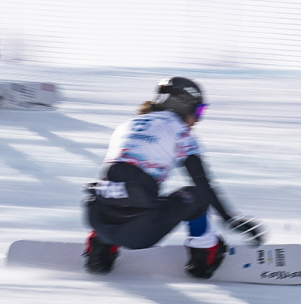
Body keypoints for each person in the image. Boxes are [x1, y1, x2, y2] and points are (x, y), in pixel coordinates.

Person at [82, 77, 266, 278]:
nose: (198, 120)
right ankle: (204, 256)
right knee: (196, 195)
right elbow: (203, 185)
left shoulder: (128, 124)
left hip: (98, 219)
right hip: (140, 233)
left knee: (118, 186)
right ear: (183, 106)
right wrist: (229, 219)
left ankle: (99, 252)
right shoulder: (181, 133)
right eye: (199, 111)